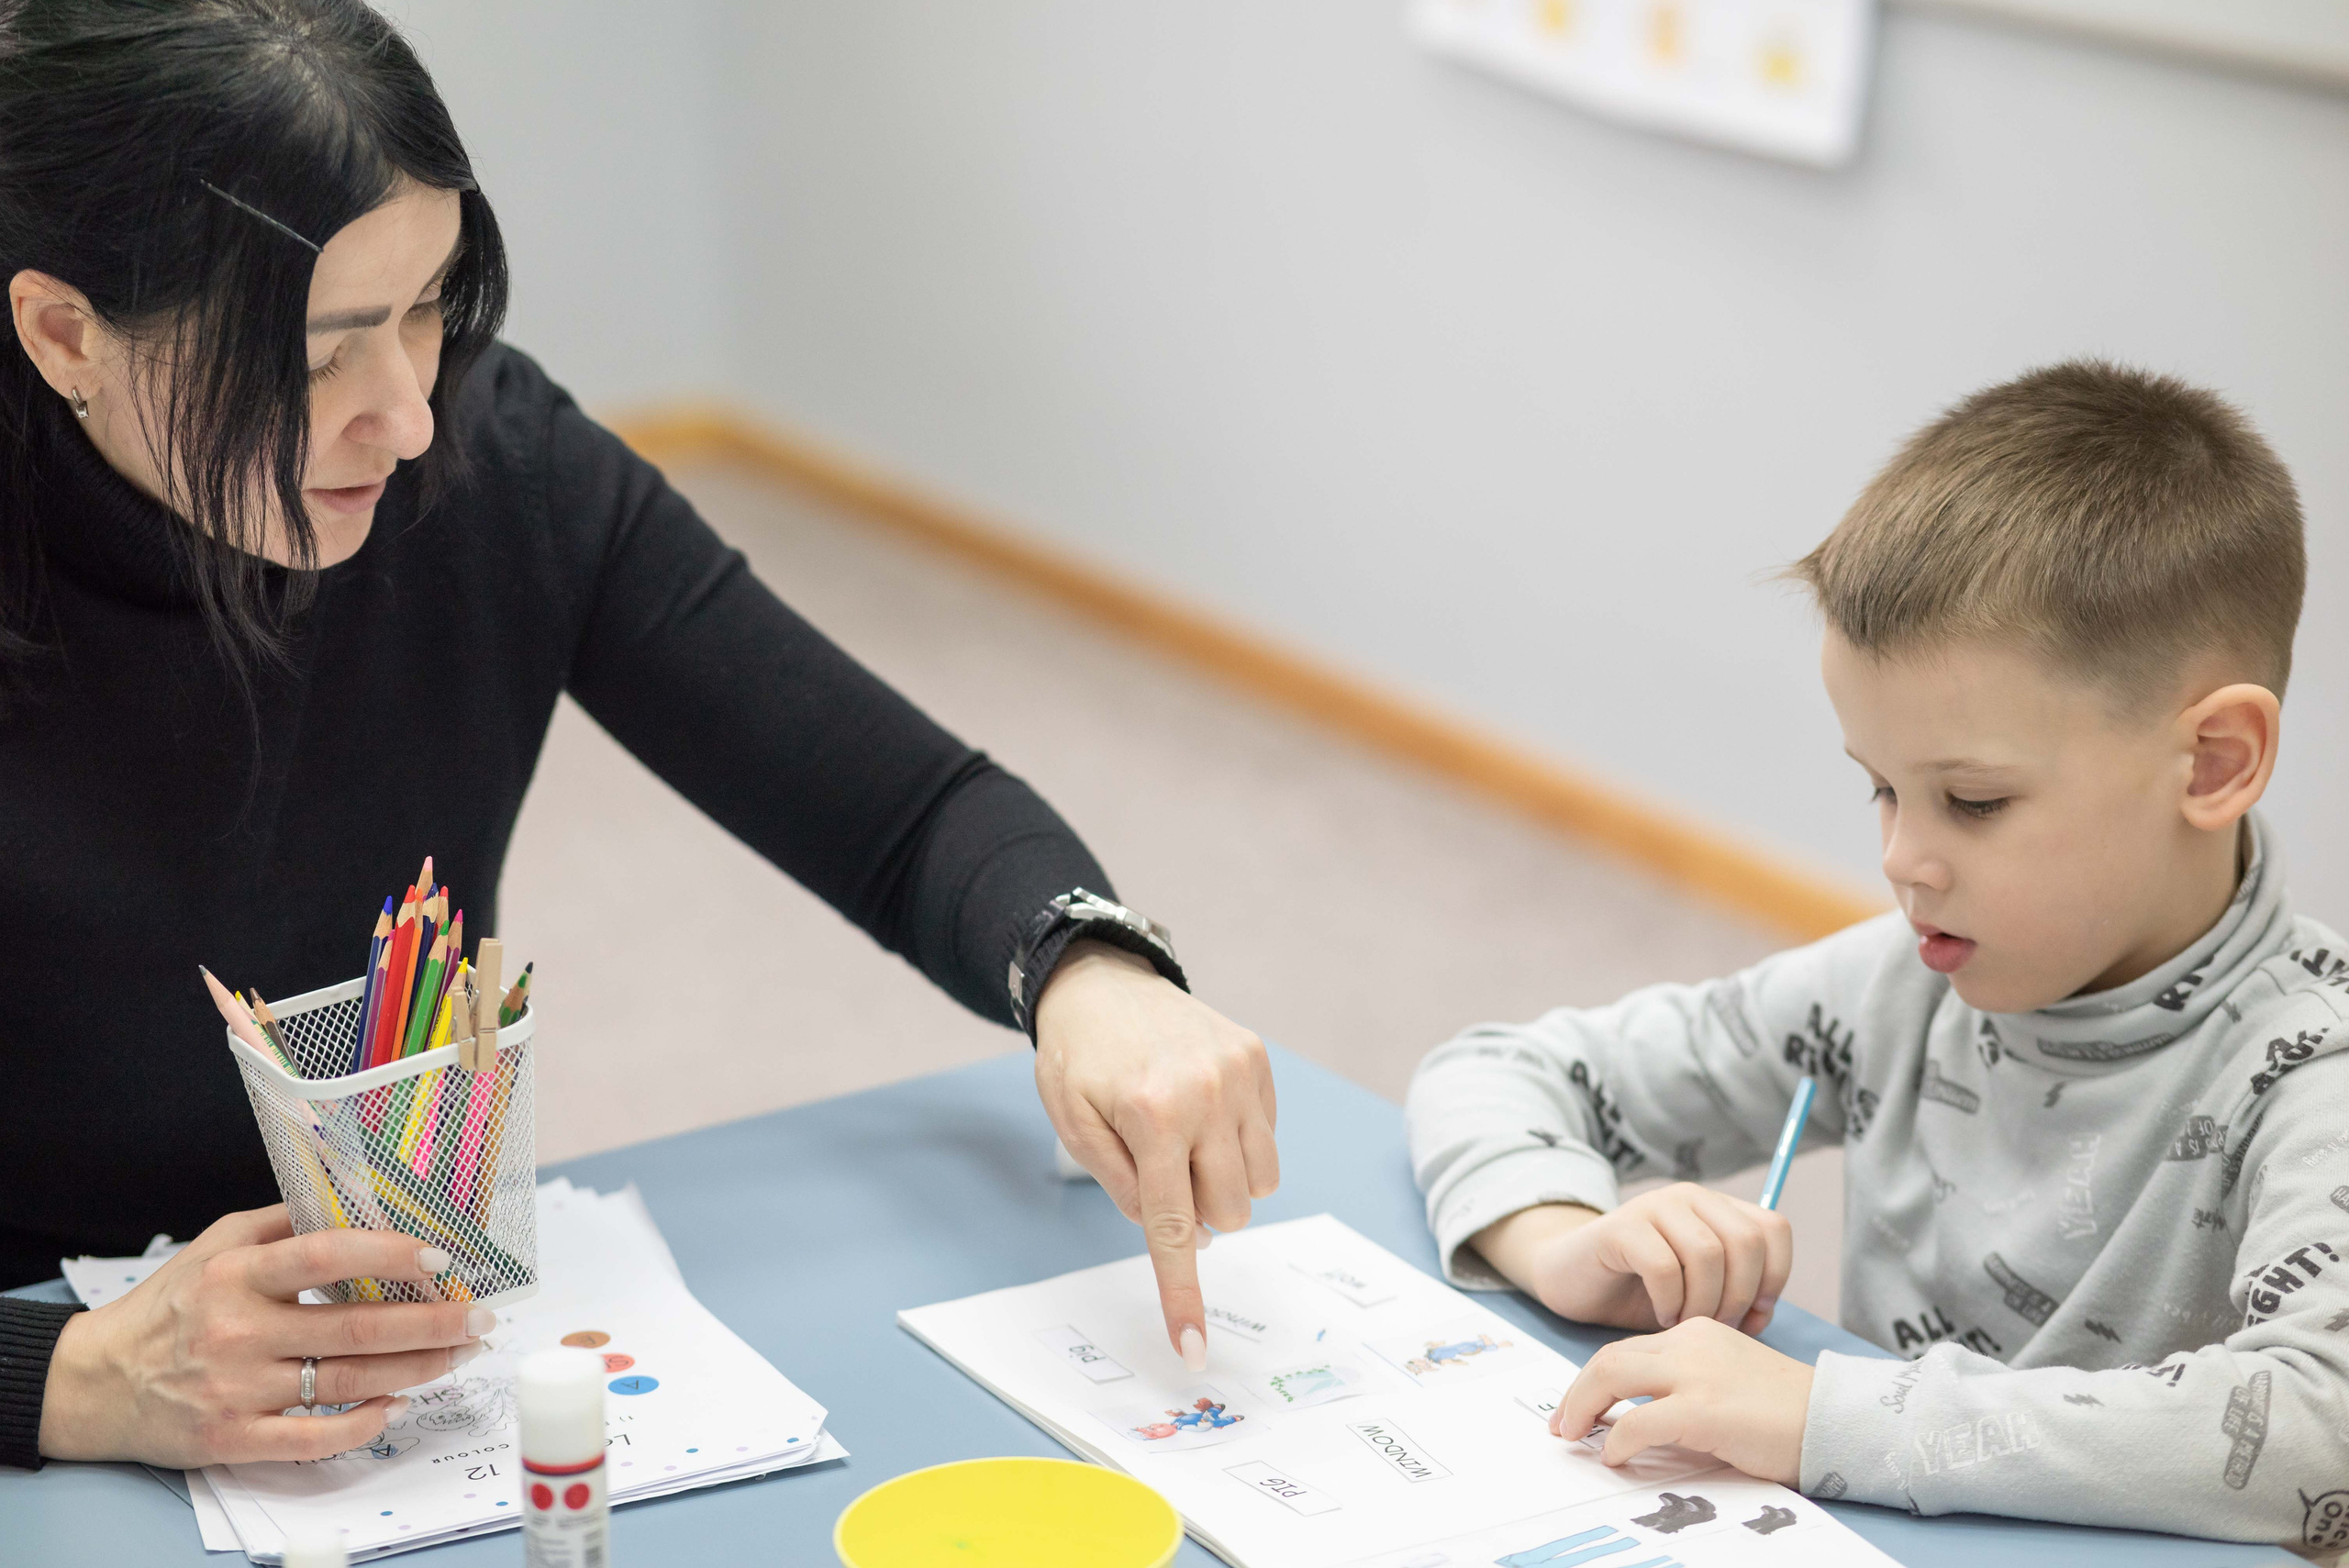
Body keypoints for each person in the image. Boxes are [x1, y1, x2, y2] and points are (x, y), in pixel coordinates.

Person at [0, 0, 1275, 1471]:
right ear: (63, 332)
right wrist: (78, 1373)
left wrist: (1086, 966)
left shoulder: (490, 467)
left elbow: (905, 812)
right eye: (318, 351)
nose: (408, 419)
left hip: (392, 1398)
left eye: (428, 309)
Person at [1406, 362, 2349, 1544]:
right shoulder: (1898, 985)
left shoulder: (2316, 1071)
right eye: (1881, 791)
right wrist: (1561, 1246)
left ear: (2212, 763)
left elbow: (2321, 1426)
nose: (1904, 859)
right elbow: (1489, 1070)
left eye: (1975, 800)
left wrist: (1825, 1420)